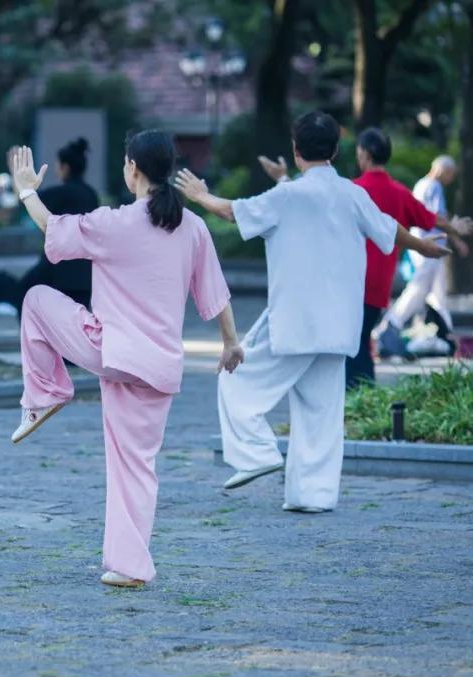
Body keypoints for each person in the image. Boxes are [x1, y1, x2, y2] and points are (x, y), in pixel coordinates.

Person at [175, 110, 451, 513]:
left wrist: (199, 195)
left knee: (237, 381)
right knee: (321, 412)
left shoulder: (287, 196)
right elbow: (390, 230)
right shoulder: (352, 195)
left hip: (294, 322)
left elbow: (234, 211)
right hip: (340, 325)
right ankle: (313, 496)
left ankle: (256, 454)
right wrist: (426, 247)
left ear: (295, 150)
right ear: (337, 151)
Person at [7, 134, 242, 588]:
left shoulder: (116, 222)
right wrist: (230, 344)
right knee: (137, 465)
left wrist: (25, 190)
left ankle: (47, 392)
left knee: (36, 299)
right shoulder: (192, 226)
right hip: (160, 366)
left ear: (132, 167)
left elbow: (52, 229)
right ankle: (131, 567)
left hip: (112, 351)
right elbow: (216, 294)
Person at [259, 130, 470, 387]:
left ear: (365, 154)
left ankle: (354, 401)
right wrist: (454, 229)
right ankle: (361, 402)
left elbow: (309, 204)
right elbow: (429, 217)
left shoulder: (354, 190)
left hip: (347, 282)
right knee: (359, 342)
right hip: (378, 286)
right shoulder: (399, 193)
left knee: (349, 348)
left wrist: (283, 179)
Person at [0, 138, 101, 315]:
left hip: (58, 271)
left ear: (64, 167)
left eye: (57, 165)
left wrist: (17, 175)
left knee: (23, 297)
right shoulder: (91, 194)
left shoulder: (62, 193)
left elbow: (28, 199)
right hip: (85, 275)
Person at [381, 155, 469, 356]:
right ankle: (391, 324)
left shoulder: (421, 185)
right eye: (450, 174)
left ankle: (445, 332)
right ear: (443, 170)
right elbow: (438, 217)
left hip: (423, 244)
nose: (451, 179)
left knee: (437, 292)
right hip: (430, 246)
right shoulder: (434, 187)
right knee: (420, 289)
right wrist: (457, 238)